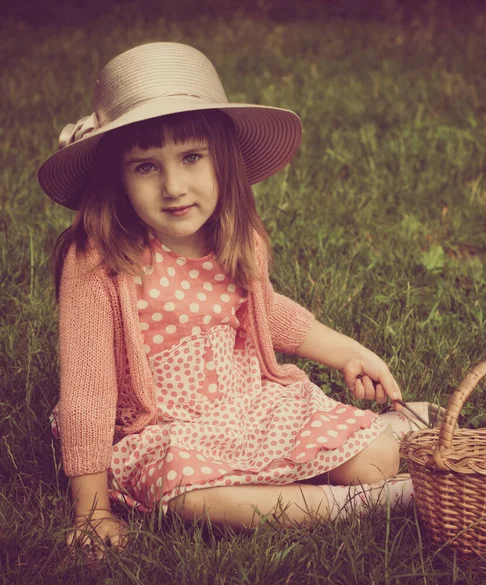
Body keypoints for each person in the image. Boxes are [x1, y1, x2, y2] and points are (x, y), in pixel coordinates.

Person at [38, 42, 430, 556]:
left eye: (191, 157)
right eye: (145, 167)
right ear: (116, 176)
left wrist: (350, 352)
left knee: (376, 456)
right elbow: (87, 389)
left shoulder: (234, 237)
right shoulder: (98, 259)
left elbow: (266, 313)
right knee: (191, 495)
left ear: (223, 158)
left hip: (247, 404)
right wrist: (92, 512)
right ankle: (360, 504)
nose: (174, 186)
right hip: (164, 429)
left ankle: (389, 439)